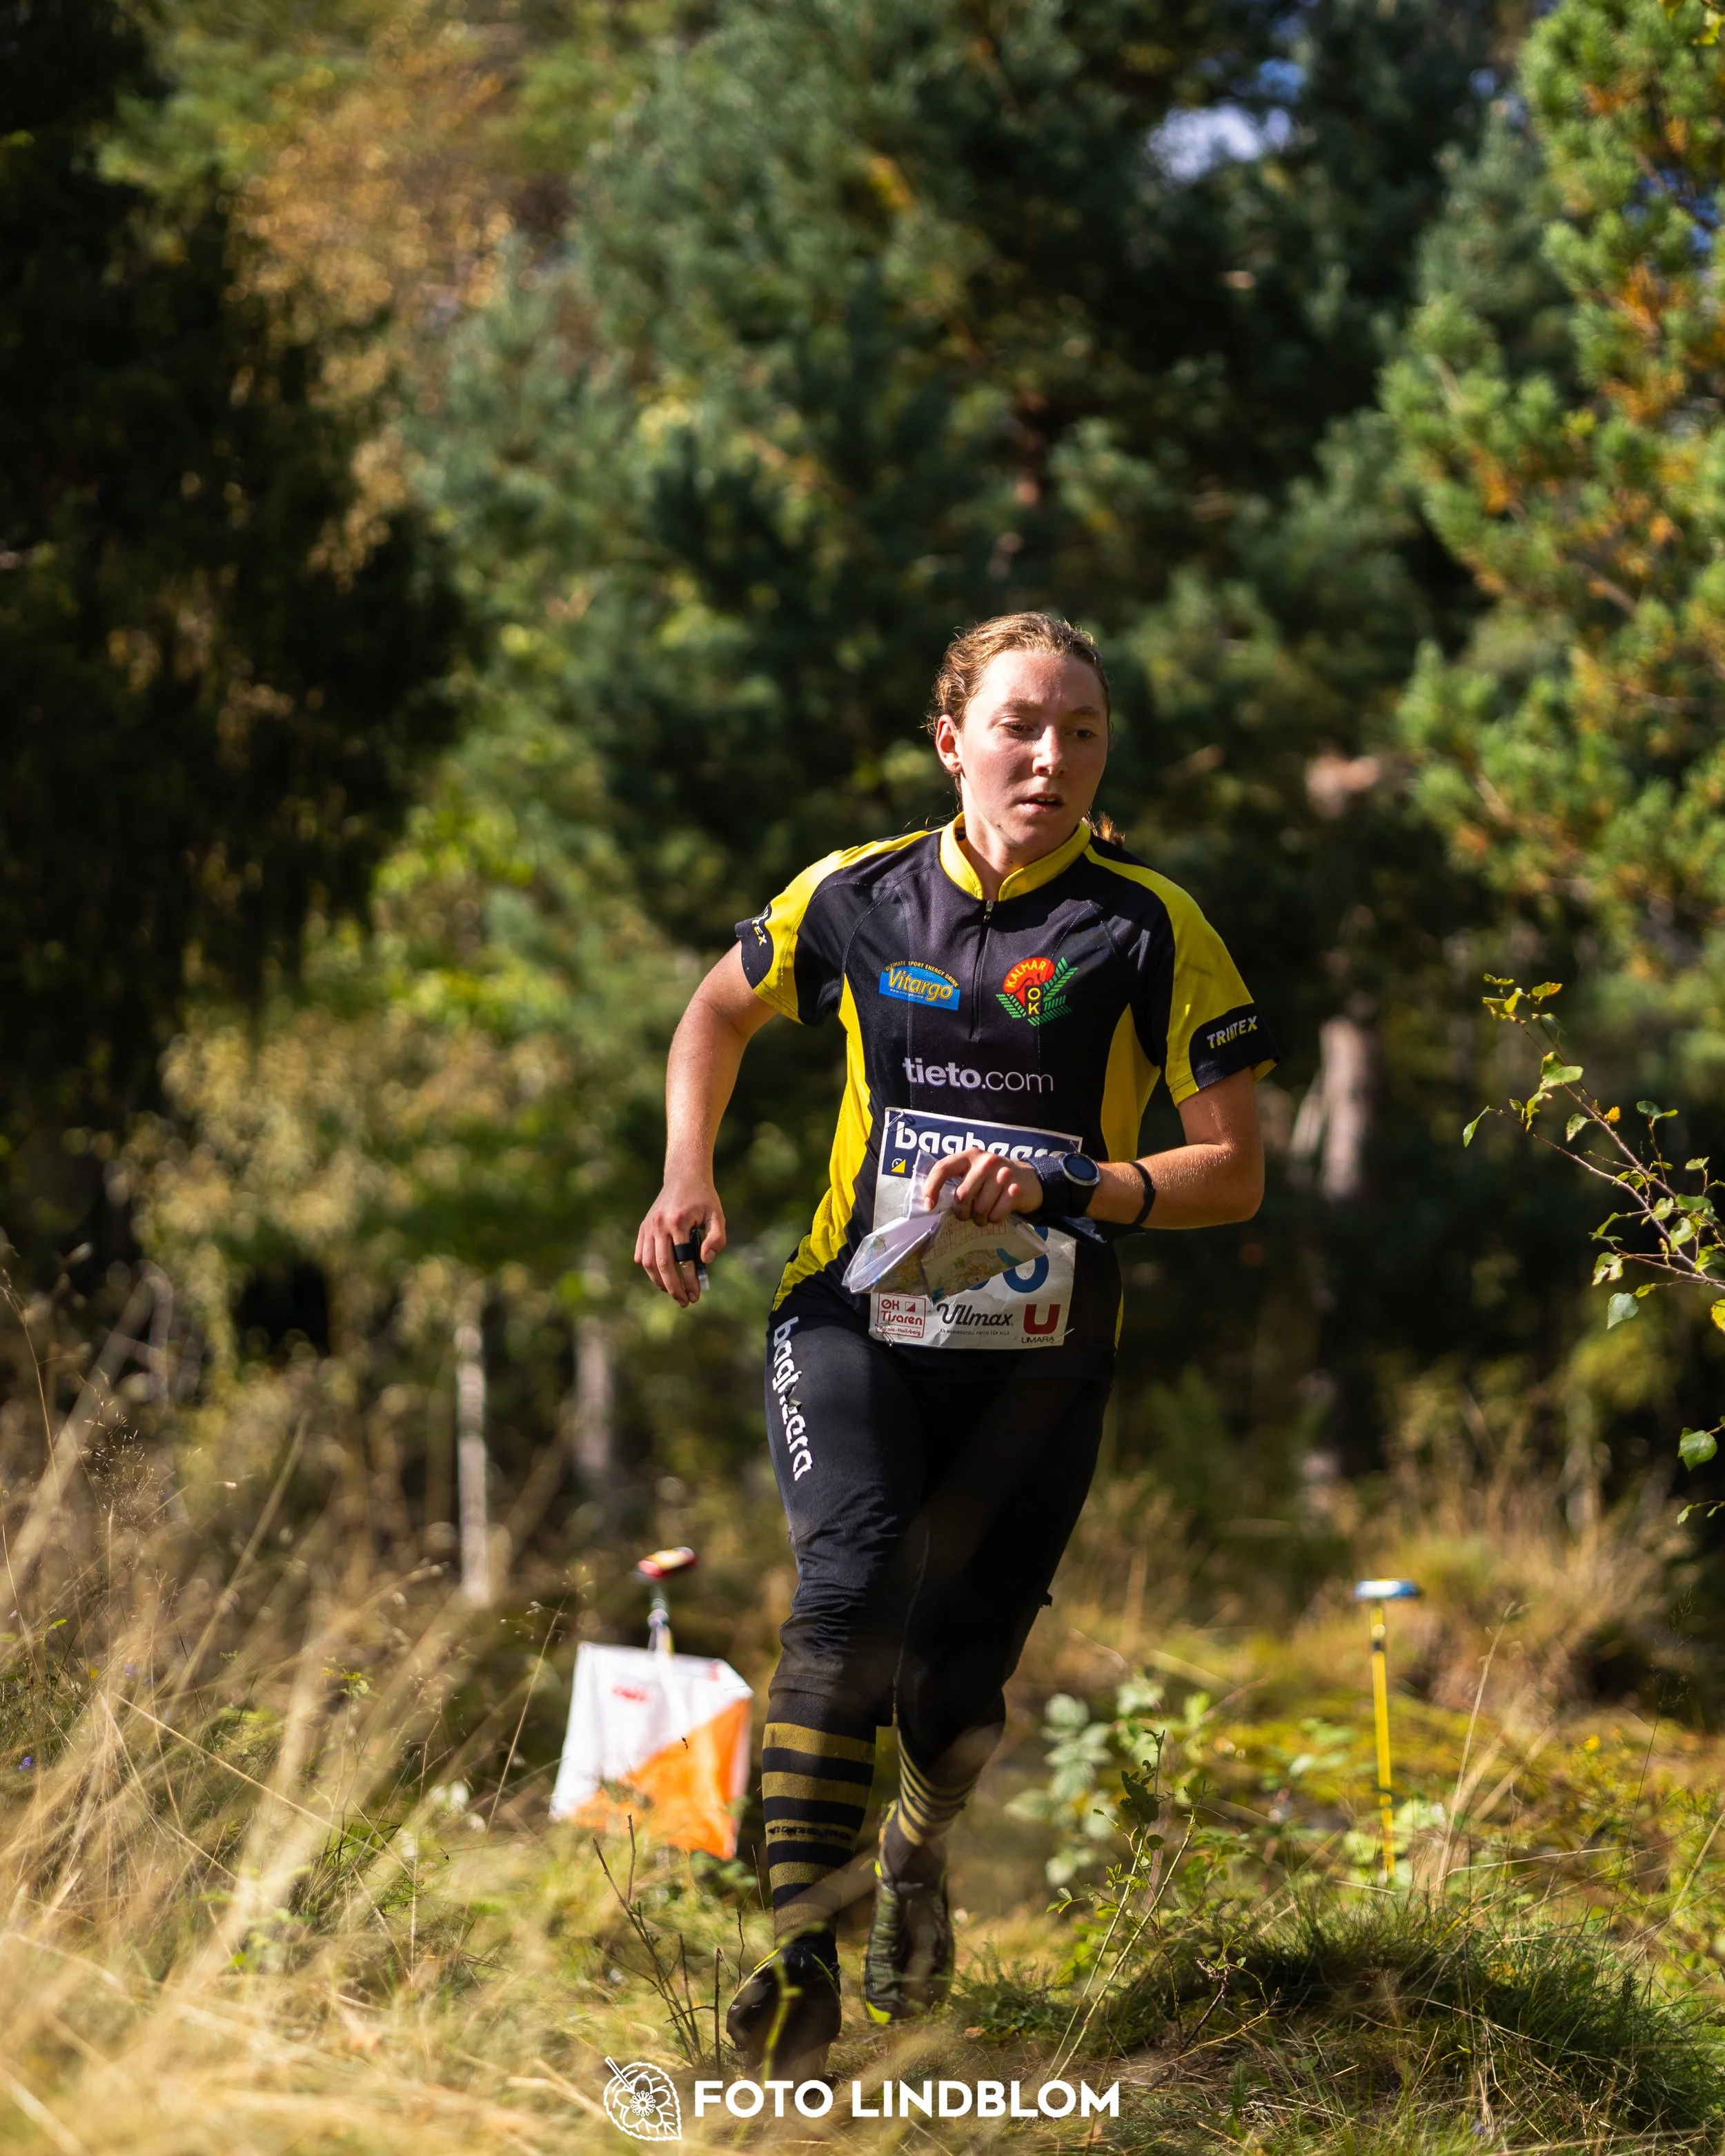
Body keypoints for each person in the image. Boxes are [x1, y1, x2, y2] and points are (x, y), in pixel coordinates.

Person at [634, 611, 1275, 2076]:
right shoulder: (853, 894)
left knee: (948, 1685)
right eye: (1018, 726)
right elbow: (714, 1014)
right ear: (951, 743)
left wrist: (1072, 1182)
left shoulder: (1148, 926)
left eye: (1080, 732)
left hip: (1038, 1357)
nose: (1050, 757)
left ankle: (916, 1857)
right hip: (849, 1314)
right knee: (846, 1590)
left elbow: (1232, 1172)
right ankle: (800, 1955)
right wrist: (686, 1173)